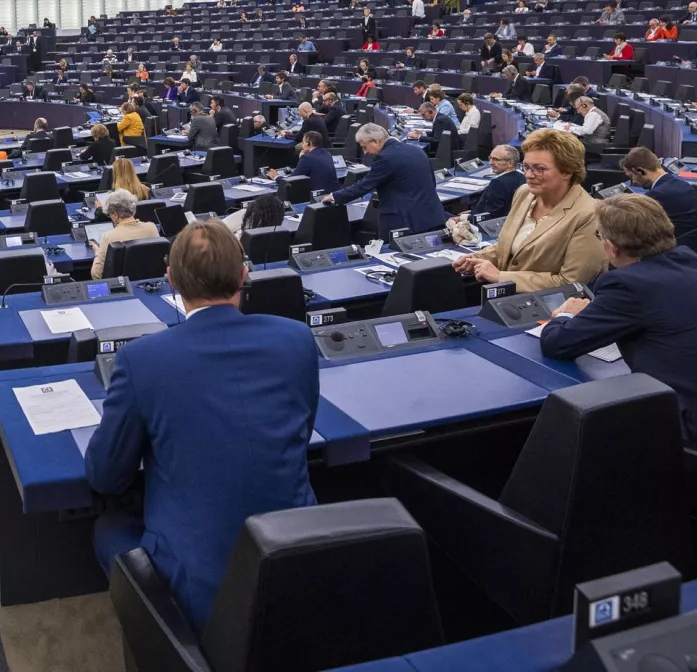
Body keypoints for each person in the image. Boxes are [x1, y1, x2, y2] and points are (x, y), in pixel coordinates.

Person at [87, 220, 319, 632]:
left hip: (201, 591)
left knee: (108, 528)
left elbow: (107, 477)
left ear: (171, 280)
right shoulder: (298, 339)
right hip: (300, 554)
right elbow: (302, 430)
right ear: (244, 275)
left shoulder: (142, 360)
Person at [539, 195, 697, 467]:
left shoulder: (627, 284)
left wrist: (567, 313)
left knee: (577, 437)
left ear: (611, 248)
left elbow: (557, 344)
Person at [453, 129, 602, 292]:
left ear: (567, 171)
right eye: (526, 167)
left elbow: (573, 283)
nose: (529, 175)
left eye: (539, 169)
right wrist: (476, 258)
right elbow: (507, 249)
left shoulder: (589, 214)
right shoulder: (525, 193)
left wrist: (501, 277)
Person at [322, 123, 446, 238]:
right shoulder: (416, 150)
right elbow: (432, 182)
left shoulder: (385, 158)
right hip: (432, 216)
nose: (365, 153)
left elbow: (364, 185)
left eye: (364, 147)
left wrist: (334, 196)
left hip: (406, 223)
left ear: (376, 141)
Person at [619, 147, 697, 243]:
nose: (633, 182)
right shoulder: (683, 184)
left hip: (677, 254)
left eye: (631, 176)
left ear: (640, 171)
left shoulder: (656, 196)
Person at [90, 189, 161, 276]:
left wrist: (97, 252)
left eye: (110, 214)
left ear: (115, 214)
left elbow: (96, 274)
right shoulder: (152, 227)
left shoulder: (110, 236)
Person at [475, 144, 524, 219]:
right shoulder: (523, 177)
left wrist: (466, 217)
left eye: (496, 159)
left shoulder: (498, 183)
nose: (490, 163)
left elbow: (491, 215)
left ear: (510, 163)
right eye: (490, 158)